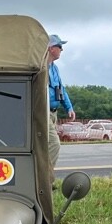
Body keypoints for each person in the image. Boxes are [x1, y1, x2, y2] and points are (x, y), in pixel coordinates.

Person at [47, 33, 75, 180]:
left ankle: (44, 178)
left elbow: (60, 89)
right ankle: (45, 179)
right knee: (54, 144)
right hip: (42, 112)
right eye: (59, 46)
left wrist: (68, 107)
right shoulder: (41, 67)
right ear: (51, 48)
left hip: (53, 113)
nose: (61, 50)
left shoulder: (54, 68)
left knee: (46, 146)